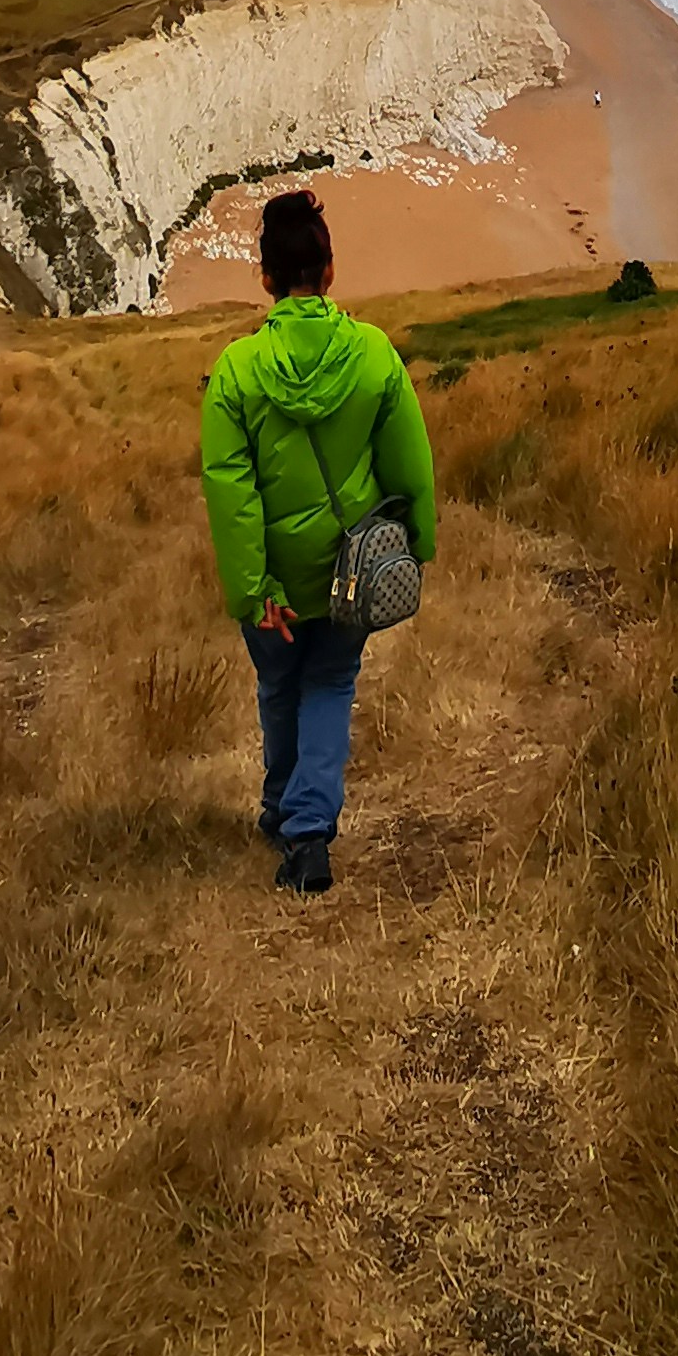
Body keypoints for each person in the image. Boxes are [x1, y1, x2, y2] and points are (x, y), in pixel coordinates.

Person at [198, 186, 437, 897]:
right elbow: (409, 465)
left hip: (275, 578)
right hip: (351, 569)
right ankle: (308, 831)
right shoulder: (373, 353)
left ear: (265, 278)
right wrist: (417, 546)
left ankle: (282, 809)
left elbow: (231, 492)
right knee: (330, 683)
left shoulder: (236, 371)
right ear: (329, 269)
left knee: (278, 684)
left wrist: (254, 589)